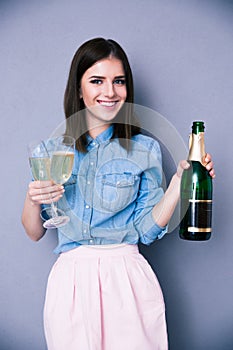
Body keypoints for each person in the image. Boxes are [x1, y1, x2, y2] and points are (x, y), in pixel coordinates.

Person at [22, 37, 215, 350]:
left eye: (119, 81)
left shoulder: (145, 150)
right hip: (71, 280)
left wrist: (180, 182)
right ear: (79, 88)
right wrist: (33, 199)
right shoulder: (51, 151)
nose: (109, 92)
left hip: (127, 277)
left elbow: (147, 231)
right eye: (97, 81)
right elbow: (33, 232)